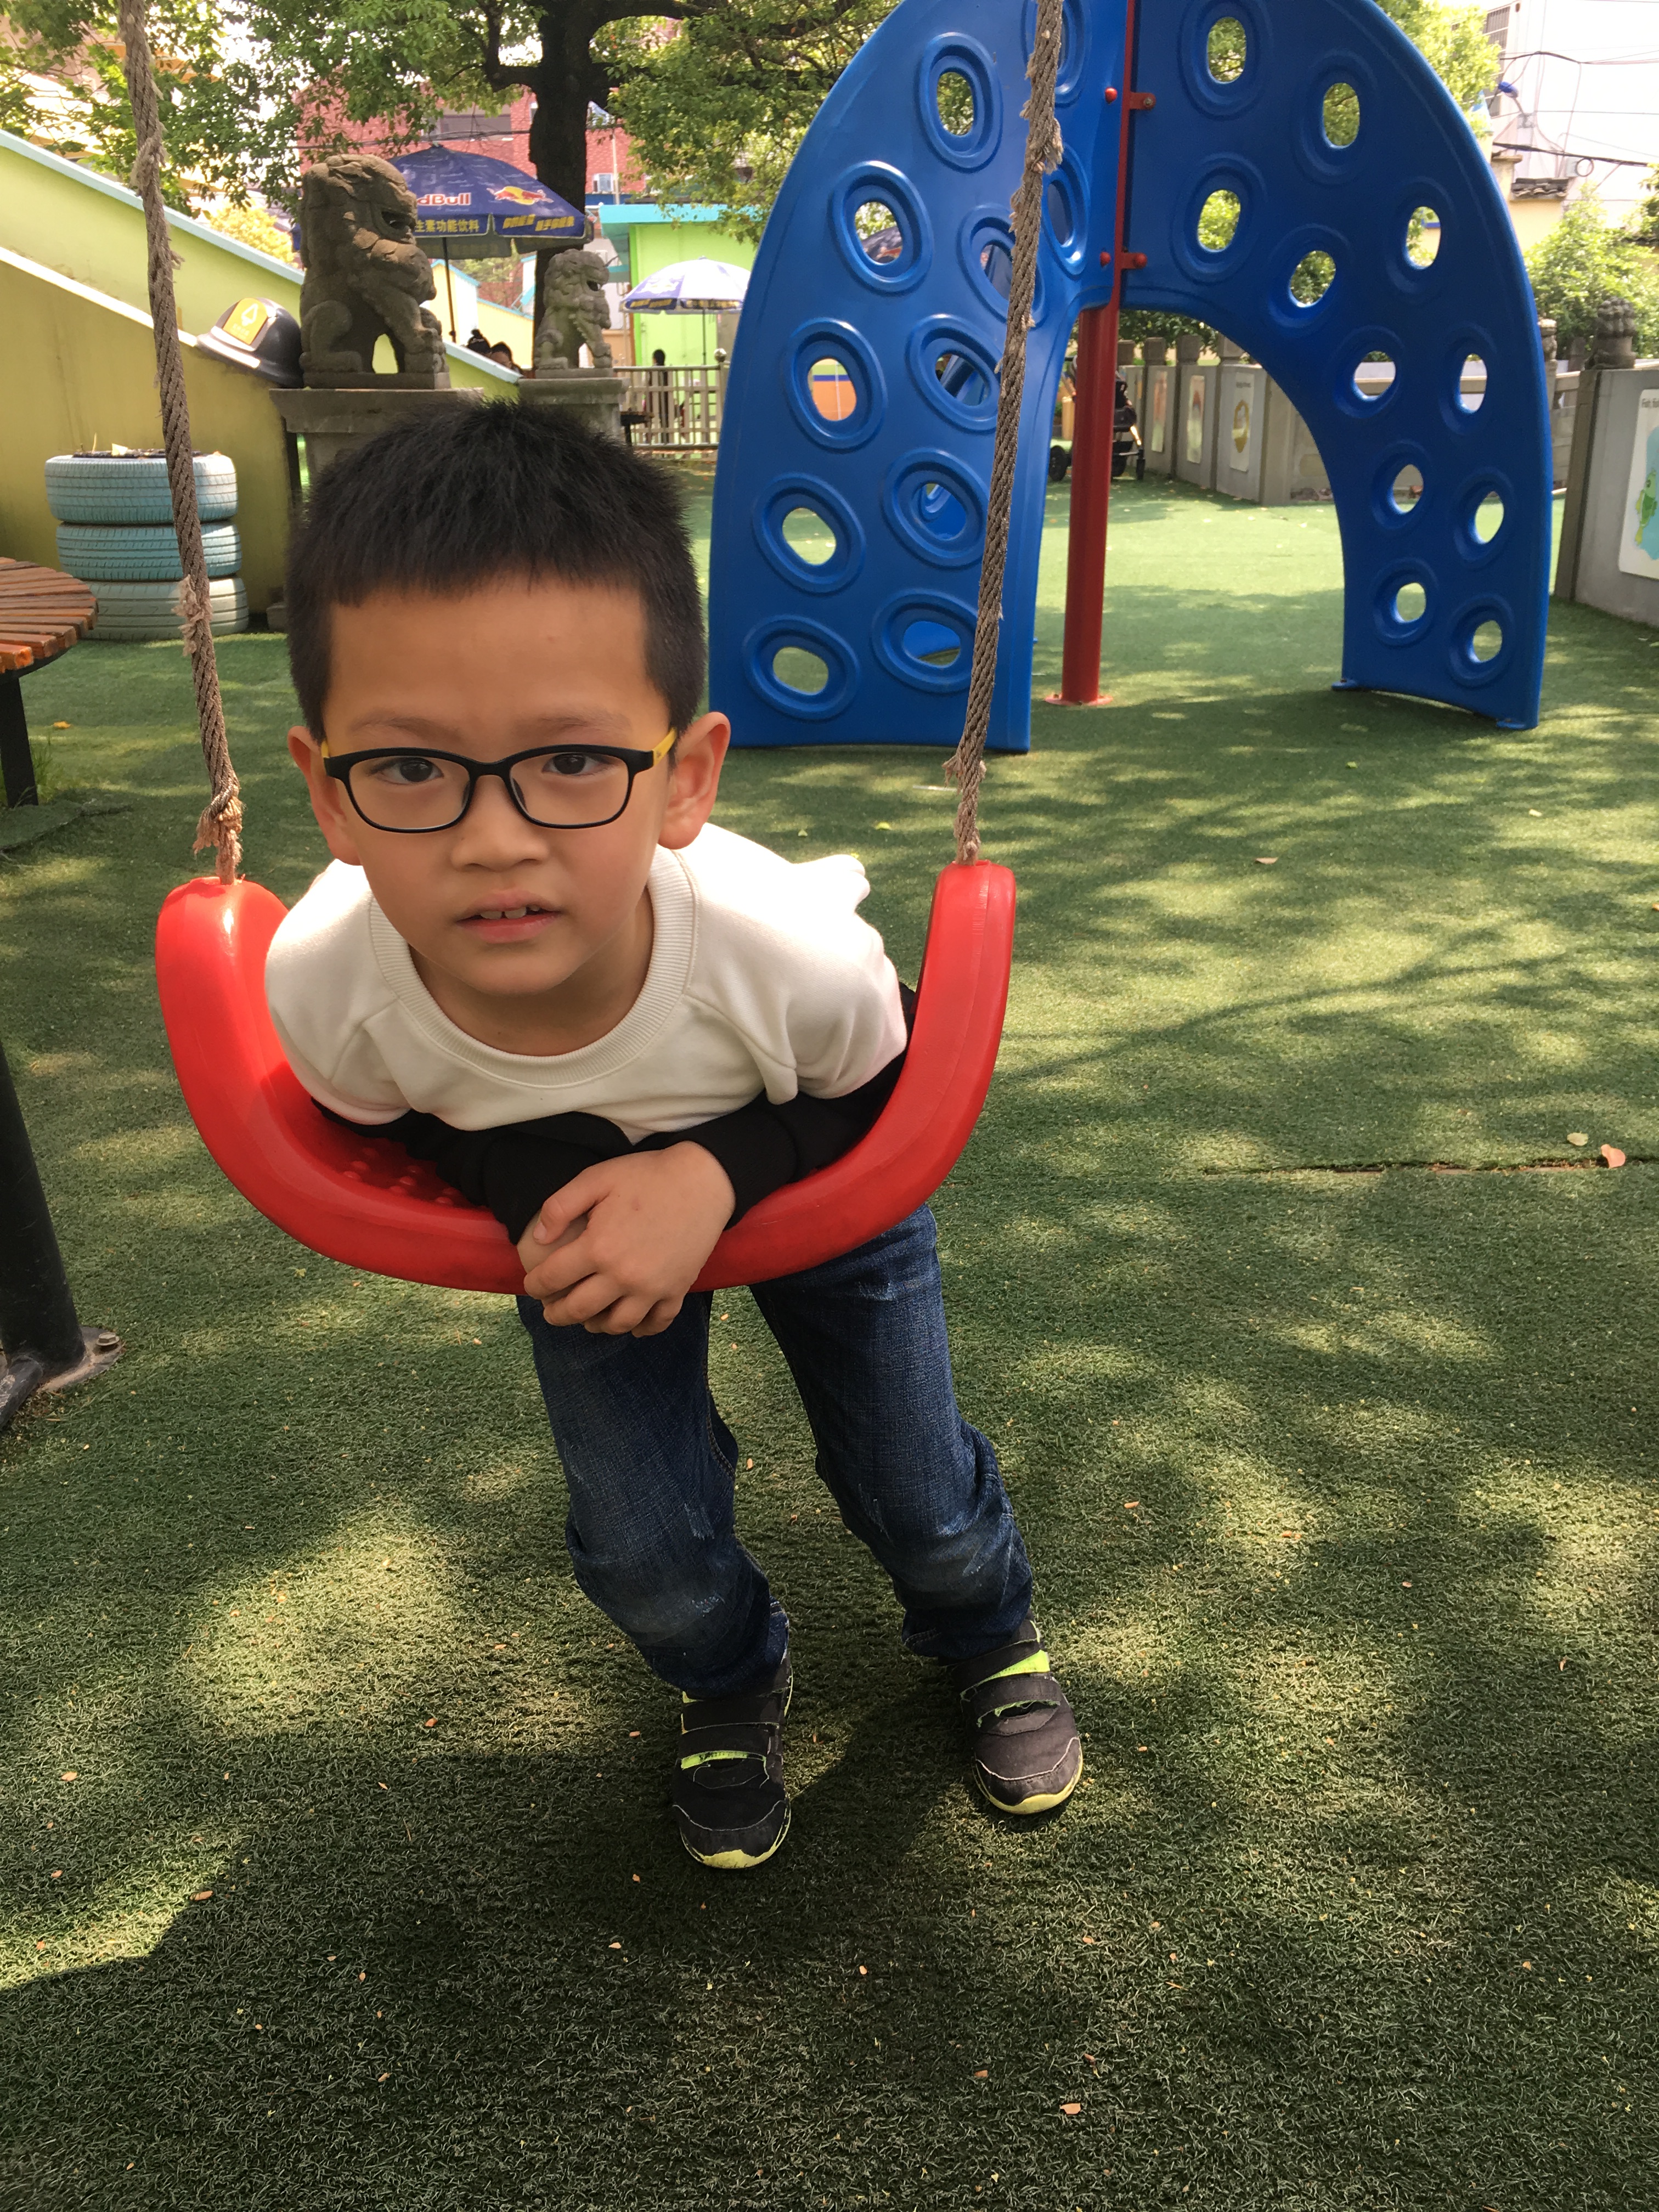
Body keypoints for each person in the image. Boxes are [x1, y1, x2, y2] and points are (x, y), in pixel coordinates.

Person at [267, 405, 1080, 1870]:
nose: (495, 838)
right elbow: (377, 1121)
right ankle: (728, 1671)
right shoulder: (331, 985)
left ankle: (987, 1626)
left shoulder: (783, 955)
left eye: (575, 760)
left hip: (815, 1159)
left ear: (687, 778)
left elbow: (891, 1079)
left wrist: (714, 1172)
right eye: (410, 770)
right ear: (329, 792)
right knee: (643, 1541)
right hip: (577, 1216)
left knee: (911, 1490)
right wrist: (537, 1174)